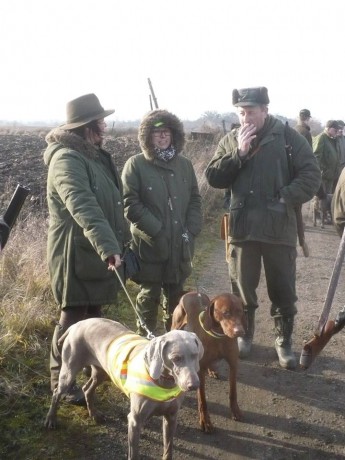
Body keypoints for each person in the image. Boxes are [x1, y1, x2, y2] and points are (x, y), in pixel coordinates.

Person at [205, 86, 321, 369]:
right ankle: (245, 336)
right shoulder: (231, 140)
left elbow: (312, 174)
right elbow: (213, 177)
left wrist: (286, 195)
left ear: (265, 111)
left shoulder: (289, 139)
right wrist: (239, 155)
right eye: (241, 113)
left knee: (283, 290)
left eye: (251, 112)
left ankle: (283, 342)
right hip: (243, 230)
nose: (245, 118)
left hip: (279, 229)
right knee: (243, 290)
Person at [44, 93, 129, 403]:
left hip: (93, 249)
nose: (104, 127)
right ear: (87, 127)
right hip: (74, 253)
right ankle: (62, 384)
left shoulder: (92, 156)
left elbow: (110, 202)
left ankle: (93, 372)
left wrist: (119, 239)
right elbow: (82, 205)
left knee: (94, 314)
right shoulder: (66, 159)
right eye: (100, 122)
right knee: (72, 317)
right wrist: (108, 244)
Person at [121, 109, 202, 336]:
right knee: (150, 295)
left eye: (166, 132)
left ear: (174, 135)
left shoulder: (184, 165)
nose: (163, 137)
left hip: (181, 244)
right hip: (150, 246)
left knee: (177, 297)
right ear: (147, 137)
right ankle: (145, 341)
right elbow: (130, 204)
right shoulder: (135, 165)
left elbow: (195, 199)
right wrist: (157, 231)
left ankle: (173, 341)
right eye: (157, 133)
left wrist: (192, 229)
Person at [313, 120, 341, 194]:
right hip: (323, 177)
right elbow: (315, 157)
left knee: (328, 197)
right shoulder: (321, 138)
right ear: (328, 128)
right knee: (319, 199)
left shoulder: (332, 139)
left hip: (330, 176)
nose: (337, 131)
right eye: (335, 130)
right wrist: (321, 171)